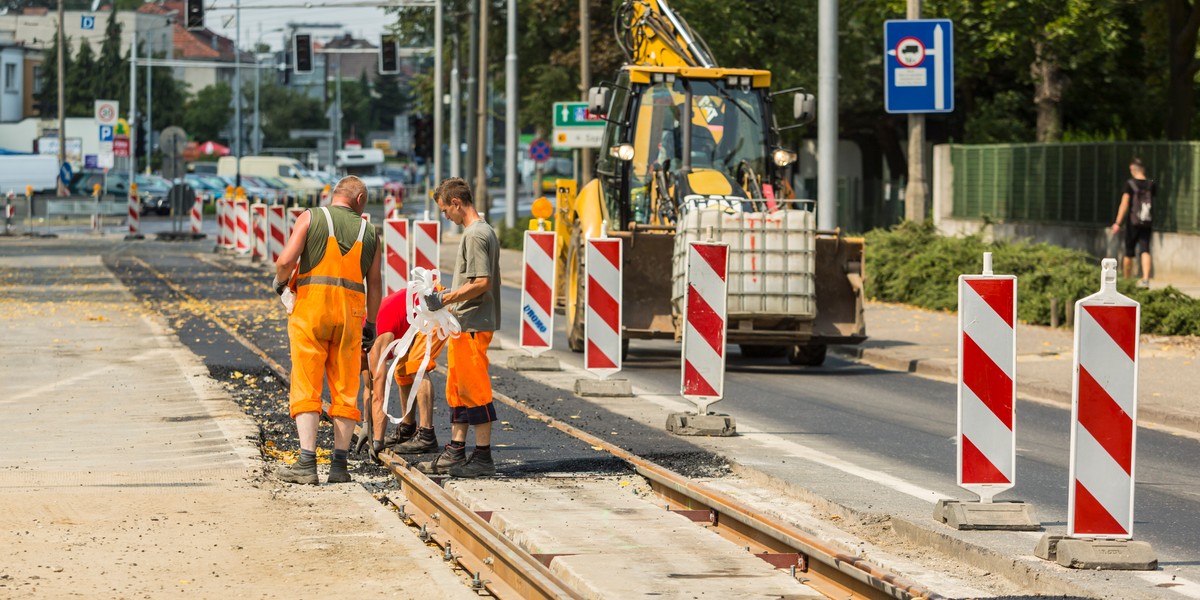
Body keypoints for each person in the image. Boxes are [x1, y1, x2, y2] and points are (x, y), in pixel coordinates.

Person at [272, 176, 382, 485]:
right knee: (346, 388)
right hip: (350, 319)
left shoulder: (311, 217)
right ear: (359, 199)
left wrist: (280, 284)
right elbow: (375, 286)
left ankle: (307, 464)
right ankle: (339, 466)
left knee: (307, 383)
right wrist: (371, 324)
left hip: (311, 313)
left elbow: (285, 261)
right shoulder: (369, 231)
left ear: (336, 195)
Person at [418, 177, 502, 478]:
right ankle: (456, 449)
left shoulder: (475, 236)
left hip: (472, 324)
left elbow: (481, 283)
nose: (446, 217)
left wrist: (444, 298)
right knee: (458, 388)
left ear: (456, 203)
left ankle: (482, 456)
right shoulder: (479, 232)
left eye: (445, 210)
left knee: (474, 389)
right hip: (464, 323)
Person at [365, 286, 448, 457]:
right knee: (401, 371)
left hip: (434, 306)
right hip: (418, 313)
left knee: (416, 366)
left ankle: (427, 435)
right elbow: (368, 387)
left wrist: (377, 441)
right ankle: (407, 429)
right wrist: (367, 425)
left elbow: (379, 395)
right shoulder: (362, 340)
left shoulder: (375, 344)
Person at [1111, 157, 1155, 288]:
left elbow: (1124, 204)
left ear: (1132, 169)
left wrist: (1118, 222)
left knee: (1129, 251)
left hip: (1132, 222)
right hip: (1147, 220)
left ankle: (1126, 280)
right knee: (1145, 249)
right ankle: (1146, 279)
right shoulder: (1151, 184)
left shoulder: (1129, 184)